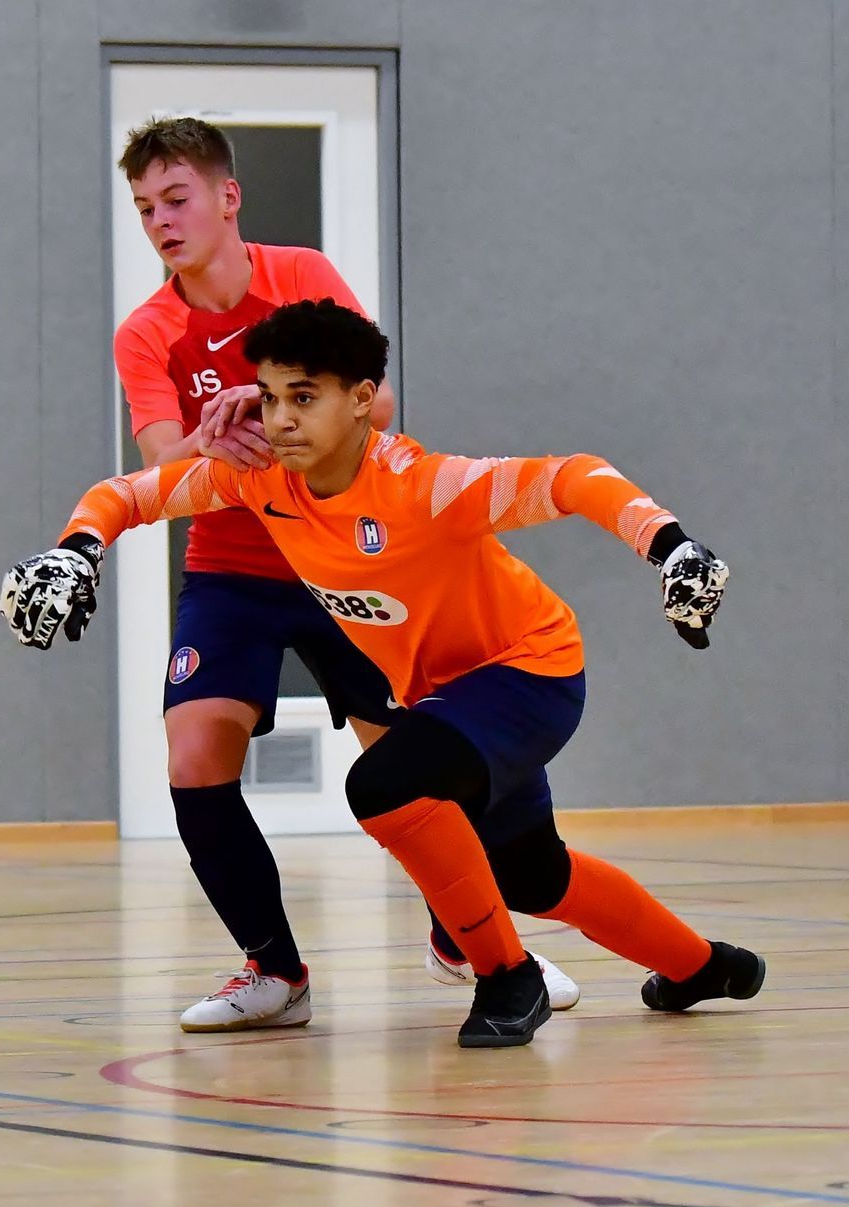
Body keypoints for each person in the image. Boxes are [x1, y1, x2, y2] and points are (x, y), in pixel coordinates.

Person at [2, 300, 765, 1047]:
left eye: (304, 397)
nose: (281, 418)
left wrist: (670, 545)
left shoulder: (422, 485)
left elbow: (573, 477)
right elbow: (133, 493)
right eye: (269, 397)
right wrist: (77, 549)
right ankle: (702, 967)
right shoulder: (260, 480)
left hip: (529, 671)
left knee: (385, 785)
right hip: (451, 697)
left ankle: (507, 976)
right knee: (534, 874)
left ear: (363, 399)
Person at [110, 117, 575, 1031]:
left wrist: (274, 406)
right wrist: (210, 437)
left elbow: (381, 400)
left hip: (346, 558)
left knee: (412, 762)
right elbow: (163, 465)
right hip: (233, 572)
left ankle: (466, 938)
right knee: (195, 754)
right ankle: (273, 972)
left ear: (227, 197)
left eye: (176, 198)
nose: (161, 221)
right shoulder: (147, 333)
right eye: (144, 208)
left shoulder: (302, 277)